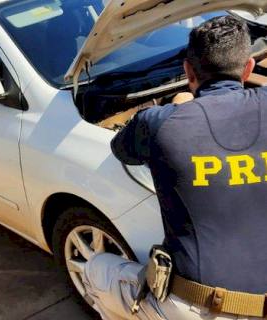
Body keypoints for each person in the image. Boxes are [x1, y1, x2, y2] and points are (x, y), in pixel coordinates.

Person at [83, 15, 267, 320]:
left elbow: (122, 151)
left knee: (96, 269)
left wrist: (178, 108)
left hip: (204, 307)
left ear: (187, 71)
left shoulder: (159, 123)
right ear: (248, 68)